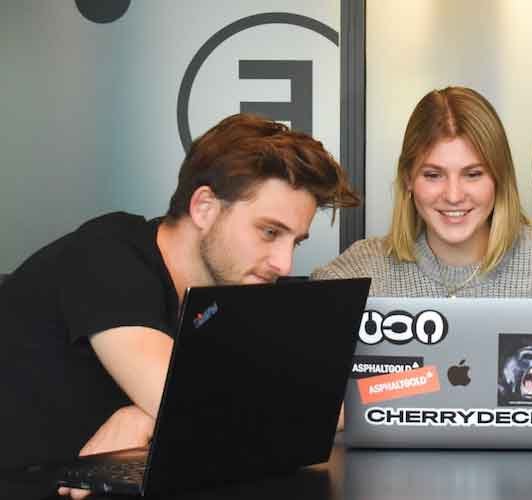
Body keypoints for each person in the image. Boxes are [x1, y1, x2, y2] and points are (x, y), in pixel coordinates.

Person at [0, 113, 359, 499]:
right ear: (204, 206)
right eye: (269, 232)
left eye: (295, 241)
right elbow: (205, 415)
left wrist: (145, 416)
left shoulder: (234, 293)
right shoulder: (106, 254)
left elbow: (325, 411)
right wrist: (168, 414)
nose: (284, 263)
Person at [314, 86, 532, 419]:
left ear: (499, 178)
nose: (454, 195)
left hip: (527, 474)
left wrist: (458, 394)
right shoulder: (361, 270)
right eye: (433, 175)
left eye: (473, 174)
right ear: (408, 179)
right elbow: (293, 378)